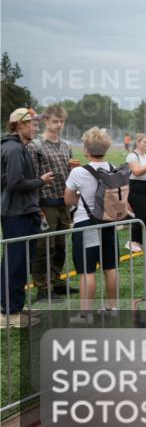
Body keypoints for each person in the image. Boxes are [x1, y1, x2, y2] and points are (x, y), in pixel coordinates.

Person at [1, 108, 53, 328]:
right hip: (17, 213)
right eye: (33, 123)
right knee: (16, 263)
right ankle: (9, 313)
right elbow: (15, 183)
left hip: (21, 211)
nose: (36, 127)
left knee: (17, 262)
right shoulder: (13, 149)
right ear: (19, 125)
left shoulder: (15, 147)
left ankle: (13, 307)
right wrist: (40, 181)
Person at [64, 127, 122, 314]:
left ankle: (85, 313)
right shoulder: (113, 168)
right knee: (111, 267)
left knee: (87, 271)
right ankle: (113, 307)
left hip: (86, 223)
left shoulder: (78, 172)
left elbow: (68, 199)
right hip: (108, 222)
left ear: (86, 150)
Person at [29, 105, 80, 300]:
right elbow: (33, 176)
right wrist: (36, 206)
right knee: (44, 247)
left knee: (60, 246)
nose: (59, 125)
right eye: (55, 121)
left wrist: (74, 167)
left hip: (63, 201)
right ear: (45, 121)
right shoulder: (35, 146)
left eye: (62, 121)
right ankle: (42, 288)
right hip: (44, 202)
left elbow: (70, 174)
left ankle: (57, 282)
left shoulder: (66, 145)